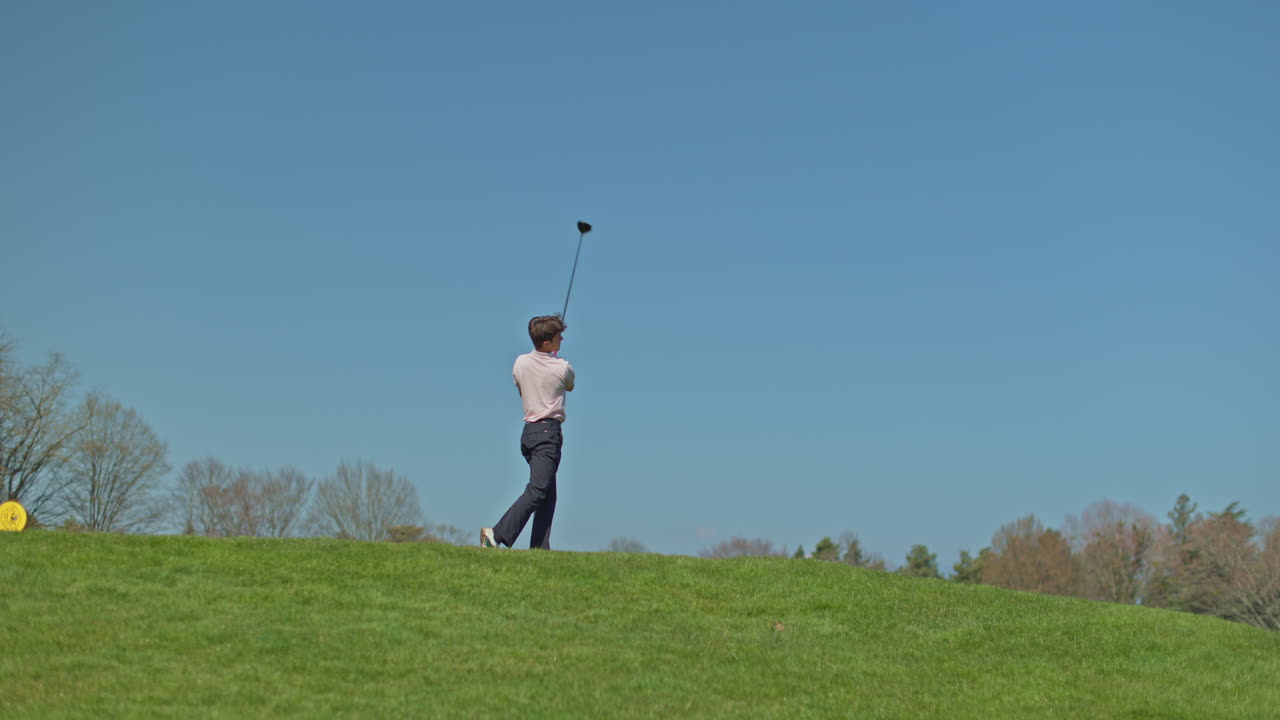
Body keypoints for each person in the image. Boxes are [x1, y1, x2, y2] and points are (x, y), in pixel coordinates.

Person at [482, 315, 574, 550]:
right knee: (539, 490)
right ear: (547, 342)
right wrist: (553, 361)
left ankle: (540, 549)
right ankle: (496, 534)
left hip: (529, 433)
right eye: (558, 337)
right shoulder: (562, 367)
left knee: (547, 493)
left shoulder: (520, 363)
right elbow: (570, 385)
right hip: (548, 433)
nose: (562, 339)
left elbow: (522, 389)